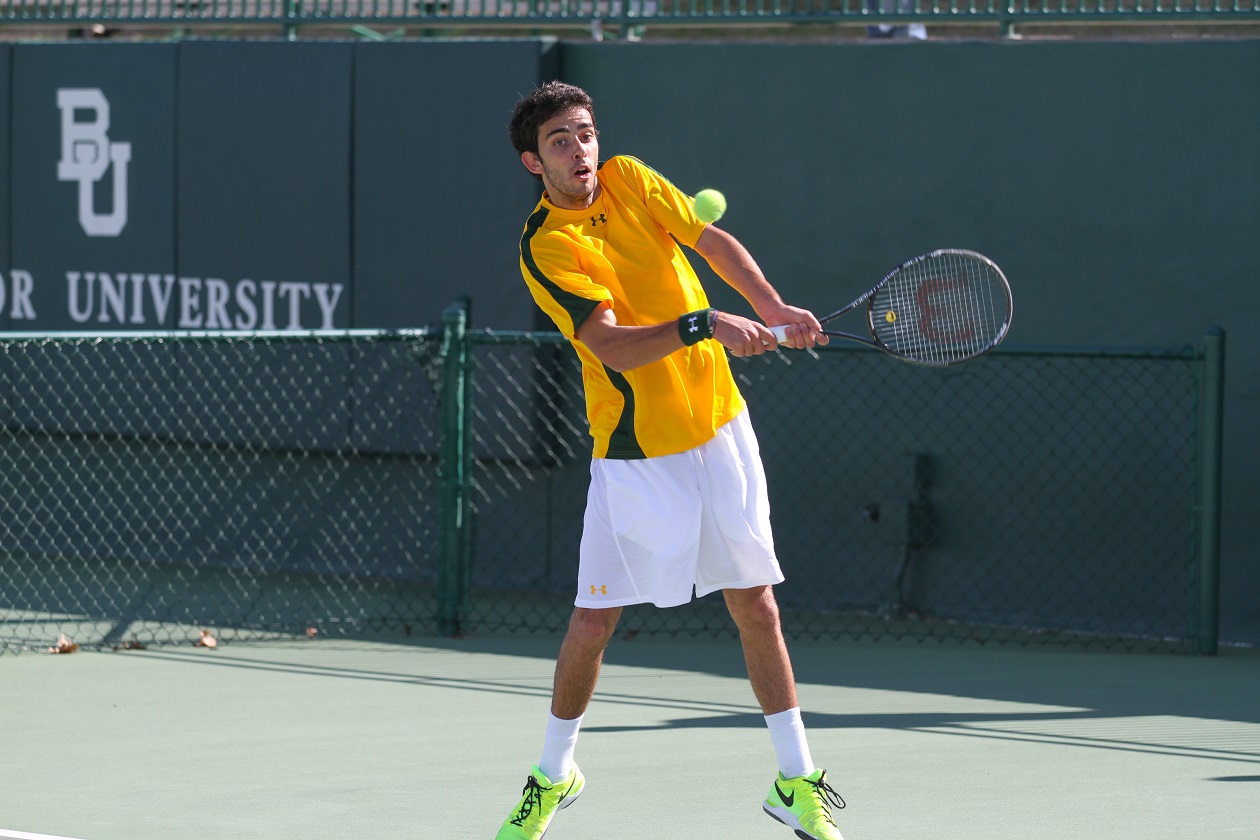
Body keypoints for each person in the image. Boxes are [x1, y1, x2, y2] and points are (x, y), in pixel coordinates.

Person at [498, 80, 846, 840]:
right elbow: (612, 347)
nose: (580, 150)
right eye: (559, 140)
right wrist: (703, 323)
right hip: (636, 451)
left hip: (720, 426)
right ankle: (554, 775)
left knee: (756, 604)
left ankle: (796, 781)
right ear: (533, 162)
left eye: (585, 133)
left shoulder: (629, 177)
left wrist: (771, 306)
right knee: (593, 621)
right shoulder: (547, 246)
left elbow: (710, 241)